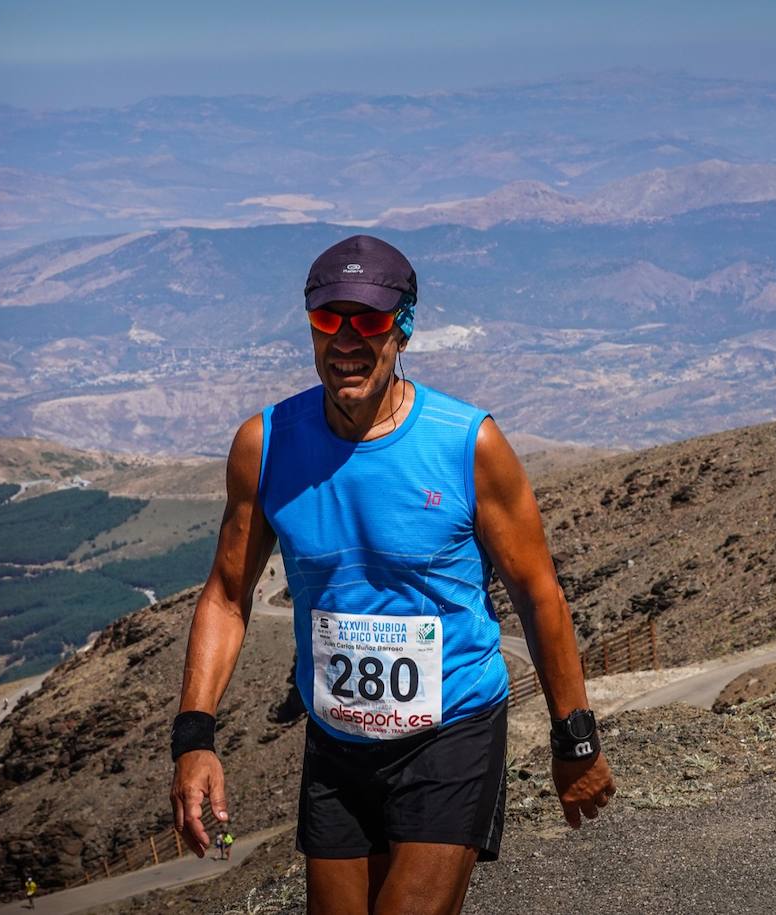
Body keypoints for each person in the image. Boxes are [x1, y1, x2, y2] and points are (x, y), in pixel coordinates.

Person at [170, 235, 615, 915]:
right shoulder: (265, 445)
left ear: (403, 328)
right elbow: (228, 598)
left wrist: (574, 736)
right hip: (338, 742)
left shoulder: (470, 444)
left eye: (370, 320)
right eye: (329, 319)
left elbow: (538, 593)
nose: (346, 340)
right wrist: (194, 739)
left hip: (452, 731)